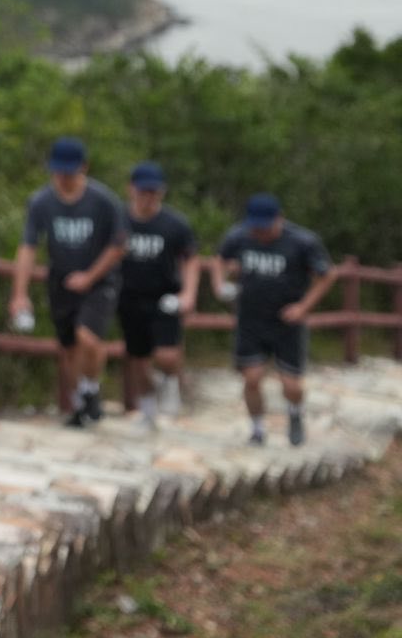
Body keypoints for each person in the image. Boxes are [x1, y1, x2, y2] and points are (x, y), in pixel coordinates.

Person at [9, 137, 129, 428]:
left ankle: (90, 390)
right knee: (69, 348)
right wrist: (20, 294)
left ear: (83, 167)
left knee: (88, 337)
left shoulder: (104, 201)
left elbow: (119, 245)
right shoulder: (41, 202)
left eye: (69, 171)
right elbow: (28, 247)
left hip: (99, 282)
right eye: (58, 171)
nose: (62, 178)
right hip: (61, 282)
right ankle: (80, 404)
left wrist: (90, 277)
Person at [215, 194, 336, 447]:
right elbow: (220, 259)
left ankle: (295, 412)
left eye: (265, 227)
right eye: (256, 227)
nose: (260, 232)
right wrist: (221, 285)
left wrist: (303, 307)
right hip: (250, 319)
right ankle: (257, 429)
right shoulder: (239, 236)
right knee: (252, 378)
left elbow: (326, 274)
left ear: (279, 218)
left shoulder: (302, 242)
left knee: (291, 385)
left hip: (286, 323)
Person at [115, 162, 199, 431]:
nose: (148, 197)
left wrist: (188, 293)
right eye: (143, 191)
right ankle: (148, 409)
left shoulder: (175, 224)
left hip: (165, 297)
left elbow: (191, 259)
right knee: (138, 358)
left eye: (154, 192)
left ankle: (171, 384)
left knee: (167, 354)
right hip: (129, 297)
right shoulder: (118, 219)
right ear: (131, 190)